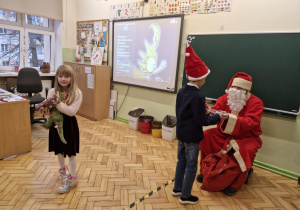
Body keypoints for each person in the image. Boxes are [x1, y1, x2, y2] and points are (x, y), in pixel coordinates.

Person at [172, 46, 228, 205]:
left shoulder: (182, 90)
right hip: (192, 138)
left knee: (180, 162)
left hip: (181, 134)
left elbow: (186, 112)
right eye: (205, 77)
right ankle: (185, 196)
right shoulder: (198, 96)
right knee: (191, 166)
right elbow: (201, 121)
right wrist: (218, 117)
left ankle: (177, 189)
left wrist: (206, 111)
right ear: (201, 78)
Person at [197, 72, 264, 196]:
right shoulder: (224, 98)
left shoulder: (256, 103)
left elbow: (251, 123)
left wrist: (229, 117)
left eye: (239, 89)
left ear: (246, 90)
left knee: (247, 150)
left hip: (246, 137)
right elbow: (215, 111)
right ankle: (204, 170)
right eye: (234, 88)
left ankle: (236, 184)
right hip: (223, 133)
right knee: (206, 136)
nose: (235, 91)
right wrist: (207, 110)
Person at [40, 64, 82, 193]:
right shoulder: (53, 91)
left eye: (67, 76)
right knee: (59, 150)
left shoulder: (77, 93)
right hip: (56, 124)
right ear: (56, 77)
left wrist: (57, 103)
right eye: (60, 76)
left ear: (71, 78)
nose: (63, 79)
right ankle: (63, 170)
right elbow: (49, 109)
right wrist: (45, 109)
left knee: (71, 151)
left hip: (69, 125)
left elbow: (71, 112)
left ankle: (72, 178)